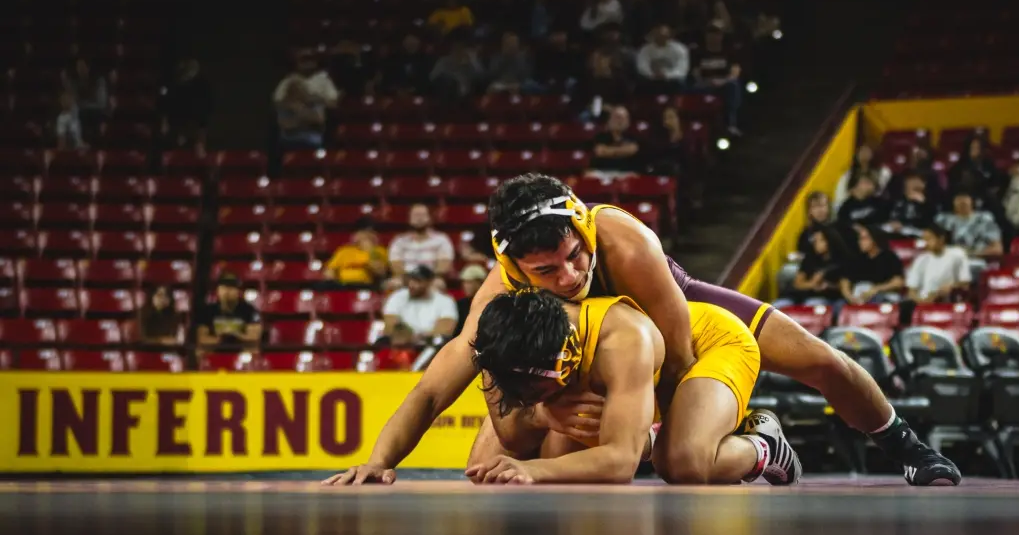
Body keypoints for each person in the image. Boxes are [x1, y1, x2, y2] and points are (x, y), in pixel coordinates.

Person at [327, 174, 960, 487]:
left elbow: (679, 348)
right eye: (547, 271)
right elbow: (435, 388)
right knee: (497, 451)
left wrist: (660, 428)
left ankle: (904, 445)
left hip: (677, 320)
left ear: (582, 227)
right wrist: (380, 461)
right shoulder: (500, 294)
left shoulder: (625, 241)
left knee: (821, 361)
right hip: (609, 349)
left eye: (577, 255)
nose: (573, 274)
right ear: (513, 265)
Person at [460, 290, 798, 485]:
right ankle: (643, 435)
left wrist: (531, 469)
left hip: (709, 343)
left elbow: (619, 465)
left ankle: (763, 446)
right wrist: (540, 415)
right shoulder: (496, 345)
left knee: (683, 463)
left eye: (541, 389)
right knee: (503, 464)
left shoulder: (621, 341)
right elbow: (510, 434)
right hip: (637, 377)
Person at [381, 266, 459, 345]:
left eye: (417, 281)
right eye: (410, 280)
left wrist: (421, 337)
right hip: (403, 345)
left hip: (431, 346)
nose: (411, 284)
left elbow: (445, 329)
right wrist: (408, 336)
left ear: (429, 282)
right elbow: (390, 325)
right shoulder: (397, 296)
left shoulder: (445, 300)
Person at [193, 272, 262, 353]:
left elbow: (254, 338)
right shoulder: (206, 311)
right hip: (215, 350)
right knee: (200, 350)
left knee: (253, 349)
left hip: (241, 352)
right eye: (223, 287)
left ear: (238, 291)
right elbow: (202, 339)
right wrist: (221, 338)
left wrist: (234, 335)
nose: (227, 290)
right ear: (217, 291)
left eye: (232, 287)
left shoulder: (250, 311)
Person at [840, 225, 907, 305]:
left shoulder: (890, 257)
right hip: (858, 295)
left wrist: (875, 289)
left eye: (864, 239)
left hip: (881, 295)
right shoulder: (856, 258)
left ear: (874, 240)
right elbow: (844, 281)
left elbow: (898, 283)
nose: (860, 242)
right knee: (839, 305)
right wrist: (849, 297)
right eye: (859, 239)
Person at [905, 225, 972, 304]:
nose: (925, 243)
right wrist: (922, 302)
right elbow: (911, 290)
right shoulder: (920, 259)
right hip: (923, 301)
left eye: (928, 239)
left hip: (946, 300)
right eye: (923, 239)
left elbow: (965, 283)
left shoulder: (957, 254)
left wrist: (951, 287)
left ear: (941, 239)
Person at [833, 144, 892, 210]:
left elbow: (879, 192)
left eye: (867, 151)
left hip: (872, 207)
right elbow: (839, 199)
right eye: (861, 151)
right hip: (853, 209)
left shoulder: (881, 173)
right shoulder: (848, 175)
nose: (864, 154)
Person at [455, 264, 489, 337]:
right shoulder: (460, 304)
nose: (465, 286)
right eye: (464, 282)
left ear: (480, 282)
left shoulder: (490, 303)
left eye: (469, 282)